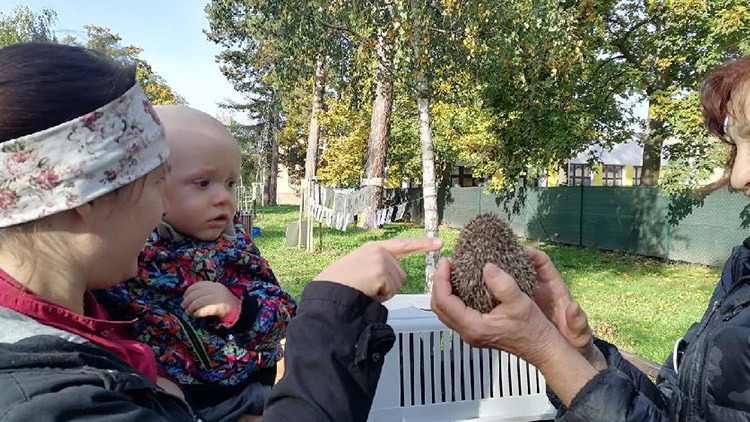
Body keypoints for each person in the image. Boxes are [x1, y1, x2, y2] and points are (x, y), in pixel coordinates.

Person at [0, 42, 444, 422]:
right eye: (156, 182)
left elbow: (270, 307)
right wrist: (336, 309)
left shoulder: (83, 315)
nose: (161, 207)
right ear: (85, 200)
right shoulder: (58, 402)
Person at [431, 55, 750, 422]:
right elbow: (677, 411)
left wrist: (547, 351)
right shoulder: (742, 268)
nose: (739, 175)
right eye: (736, 146)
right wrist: (582, 355)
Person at [96, 105, 296, 422]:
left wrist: (239, 310)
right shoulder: (129, 247)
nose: (223, 198)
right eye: (203, 183)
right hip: (168, 393)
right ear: (151, 183)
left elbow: (282, 310)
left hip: (241, 390)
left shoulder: (232, 247)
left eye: (230, 183)